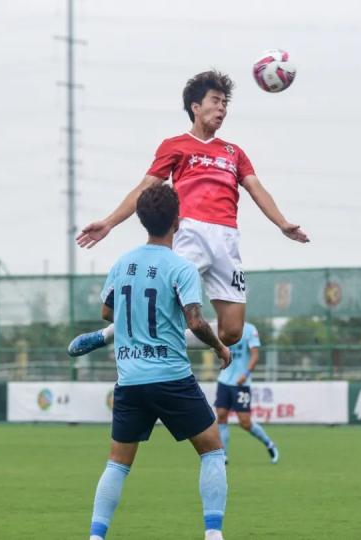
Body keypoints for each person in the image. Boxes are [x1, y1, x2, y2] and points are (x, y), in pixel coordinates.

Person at [69, 69, 309, 357]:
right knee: (159, 305)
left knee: (232, 332)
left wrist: (282, 223)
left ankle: (156, 338)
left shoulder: (234, 152)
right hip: (189, 234)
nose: (222, 108)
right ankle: (109, 334)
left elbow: (256, 188)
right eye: (215, 101)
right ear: (196, 107)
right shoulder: (175, 146)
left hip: (227, 240)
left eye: (225, 103)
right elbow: (145, 187)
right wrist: (109, 223)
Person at [88, 185, 232, 540]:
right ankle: (213, 535)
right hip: (170, 376)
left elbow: (107, 311)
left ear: (141, 220)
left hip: (129, 380)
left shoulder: (122, 263)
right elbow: (195, 321)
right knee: (212, 449)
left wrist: (130, 321)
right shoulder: (181, 268)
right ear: (177, 221)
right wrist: (219, 347)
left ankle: (95, 536)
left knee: (117, 463)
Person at [215, 322, 278, 465]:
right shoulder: (223, 327)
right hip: (224, 381)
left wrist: (246, 374)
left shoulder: (250, 329)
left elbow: (255, 356)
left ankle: (269, 444)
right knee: (221, 416)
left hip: (241, 383)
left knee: (245, 422)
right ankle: (223, 455)